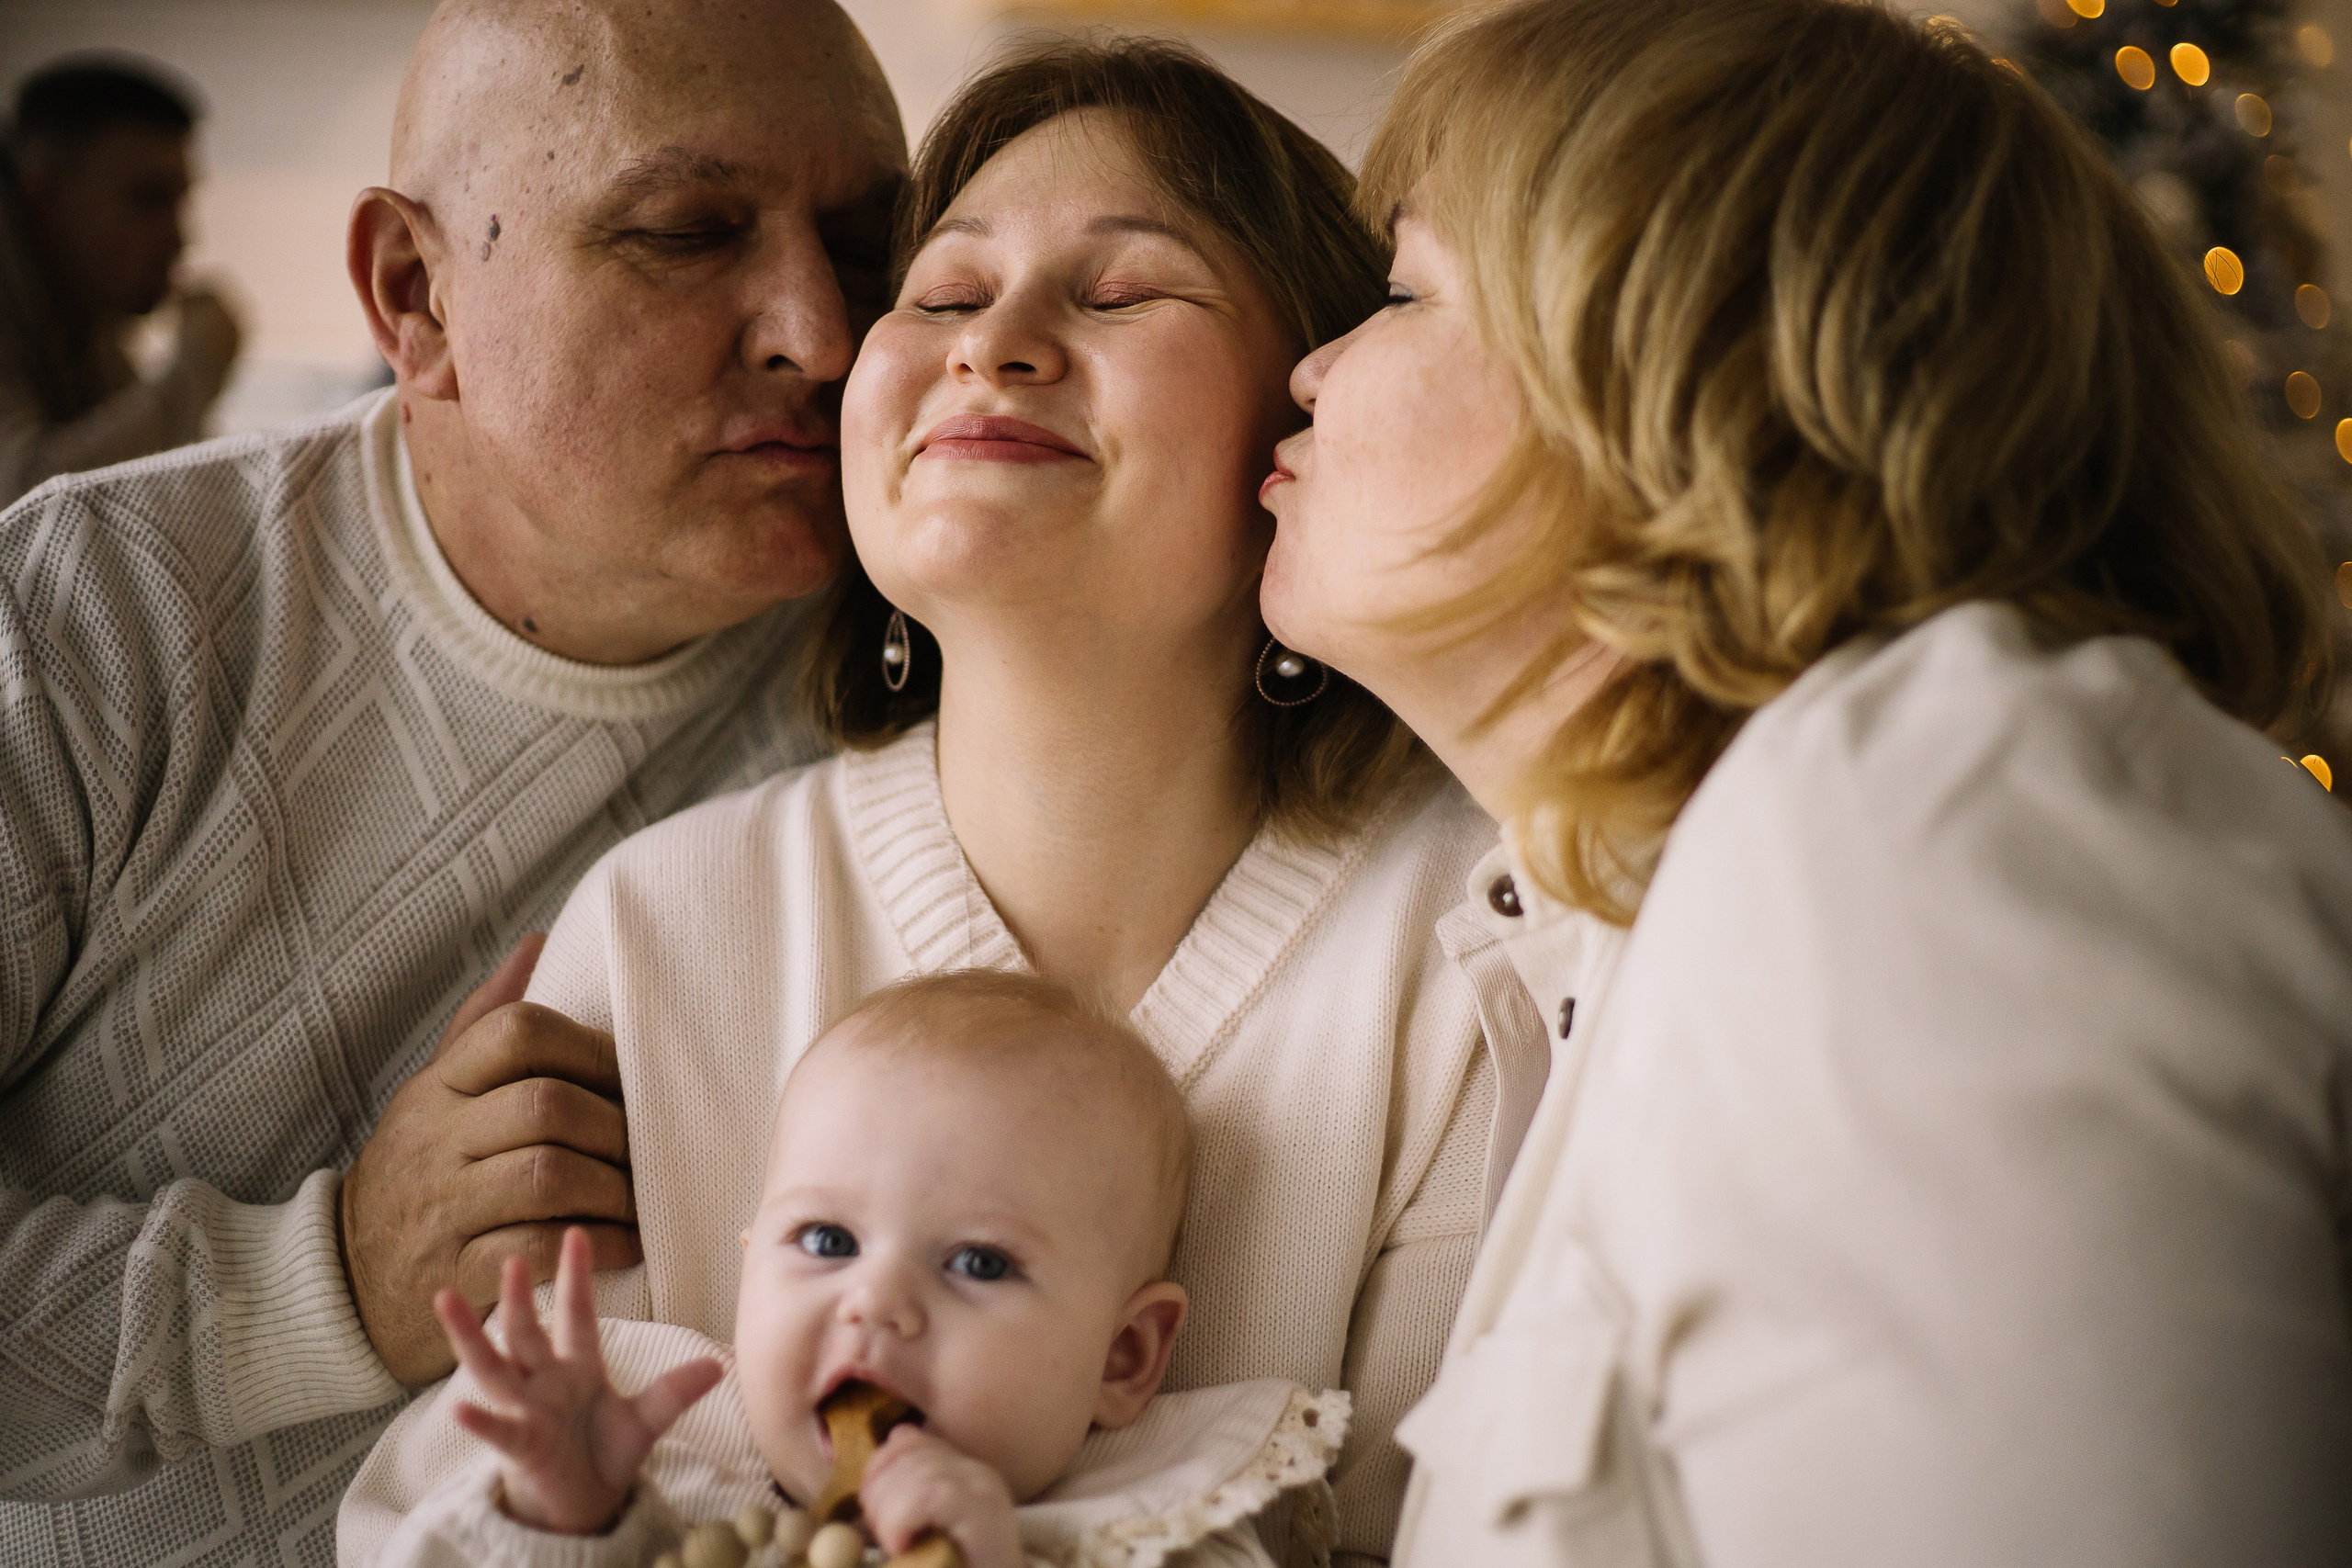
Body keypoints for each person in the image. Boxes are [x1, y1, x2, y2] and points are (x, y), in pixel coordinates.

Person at [345, 39, 1539, 1568]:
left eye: (1118, 293)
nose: (997, 347)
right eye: (946, 295)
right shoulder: (662, 928)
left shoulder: (1479, 951)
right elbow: (469, 1499)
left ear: (1313, 408)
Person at [1258, 0, 2352, 1562]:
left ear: (1678, 375)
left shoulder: (1929, 821)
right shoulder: (1692, 892)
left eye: (1403, 289)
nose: (1313, 365)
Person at [0, 2, 905, 1562]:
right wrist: (329, 1275)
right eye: (691, 233)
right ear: (414, 295)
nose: (820, 334)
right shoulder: (88, 607)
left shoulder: (925, 664)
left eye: (867, 241)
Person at [345, 971, 1353, 1568]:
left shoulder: (1171, 1515)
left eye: (977, 1262)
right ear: (748, 1284)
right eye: (825, 1243)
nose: (873, 1304)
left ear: (1124, 1355)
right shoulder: (659, 1463)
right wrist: (561, 1519)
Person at [0, 56, 243, 506]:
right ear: (46, 199)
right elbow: (21, 508)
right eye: (148, 200)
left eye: (180, 201)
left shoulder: (79, 307)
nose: (180, 239)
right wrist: (193, 372)